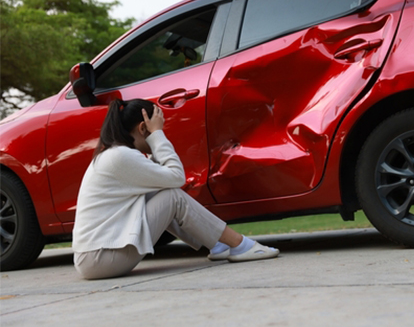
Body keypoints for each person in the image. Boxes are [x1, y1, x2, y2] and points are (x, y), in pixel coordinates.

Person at [72, 99, 279, 280]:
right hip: (100, 259)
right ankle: (239, 245)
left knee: (161, 192)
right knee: (172, 197)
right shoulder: (121, 156)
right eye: (155, 130)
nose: (159, 135)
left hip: (95, 258)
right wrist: (158, 135)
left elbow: (162, 180)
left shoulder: (115, 154)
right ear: (143, 128)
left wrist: (155, 138)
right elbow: (176, 177)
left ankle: (218, 244)